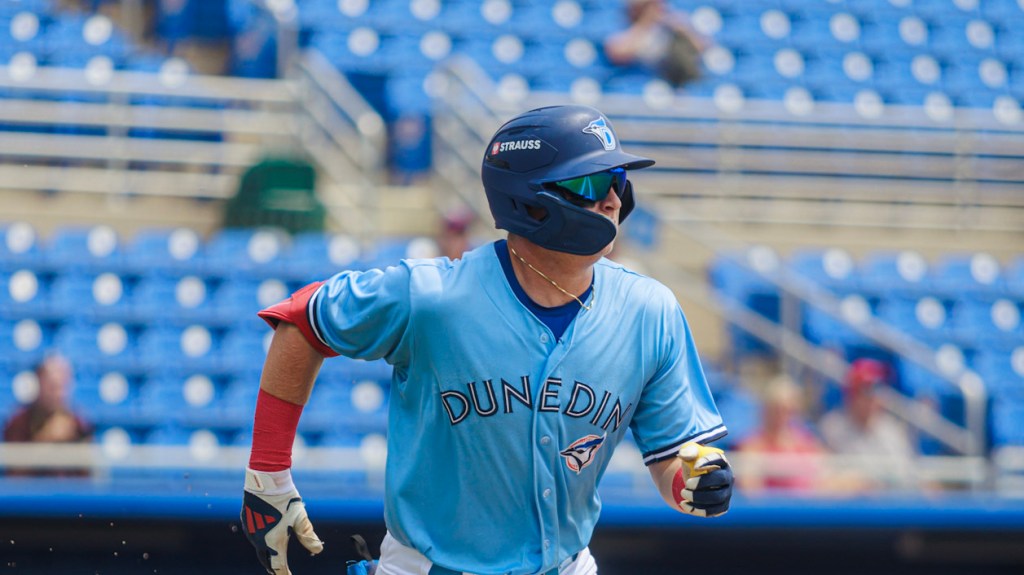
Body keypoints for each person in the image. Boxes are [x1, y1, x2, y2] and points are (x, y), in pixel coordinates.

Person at [240, 105, 733, 575]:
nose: (612, 200)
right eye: (589, 183)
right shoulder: (432, 296)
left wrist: (694, 481)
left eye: (618, 181)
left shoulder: (650, 310)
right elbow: (303, 320)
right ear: (529, 201)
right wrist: (268, 473)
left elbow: (673, 459)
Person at [818, 358, 917, 489]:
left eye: (879, 388)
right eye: (867, 389)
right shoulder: (832, 428)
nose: (874, 397)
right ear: (852, 394)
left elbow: (908, 475)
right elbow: (825, 480)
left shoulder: (891, 430)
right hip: (850, 500)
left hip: (890, 498)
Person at [3, 353, 93, 477]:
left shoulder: (77, 423)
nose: (57, 393)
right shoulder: (19, 422)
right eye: (52, 386)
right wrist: (45, 440)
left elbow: (86, 475)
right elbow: (14, 474)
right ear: (38, 383)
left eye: (62, 386)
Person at [736, 374, 826, 494]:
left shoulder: (807, 442)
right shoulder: (752, 445)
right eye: (776, 409)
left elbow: (825, 478)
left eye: (788, 410)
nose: (782, 416)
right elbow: (750, 489)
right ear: (766, 410)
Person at [603, 0, 709, 88]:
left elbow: (702, 49)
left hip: (669, 84)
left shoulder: (669, 27)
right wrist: (647, 21)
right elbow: (616, 53)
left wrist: (685, 30)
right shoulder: (623, 27)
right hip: (636, 87)